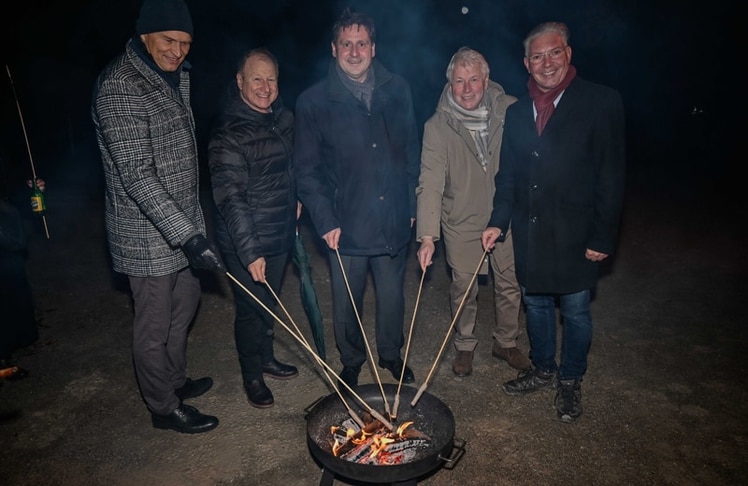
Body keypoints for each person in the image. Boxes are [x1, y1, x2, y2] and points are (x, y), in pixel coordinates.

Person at [481, 21, 625, 423]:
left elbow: (611, 176)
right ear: (527, 63)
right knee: (536, 303)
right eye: (538, 56)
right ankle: (544, 368)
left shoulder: (601, 101)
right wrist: (498, 222)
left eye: (554, 52)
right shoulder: (515, 111)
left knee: (576, 310)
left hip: (577, 234)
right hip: (531, 231)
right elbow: (507, 175)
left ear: (568, 54)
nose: (547, 63)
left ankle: (570, 379)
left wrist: (603, 235)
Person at [91, 0, 224, 434]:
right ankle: (163, 407)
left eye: (186, 43)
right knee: (153, 323)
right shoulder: (120, 85)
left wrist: (193, 228)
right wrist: (187, 235)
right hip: (147, 233)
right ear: (145, 34)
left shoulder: (176, 76)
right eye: (169, 40)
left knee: (185, 304)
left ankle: (175, 380)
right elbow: (137, 175)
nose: (178, 51)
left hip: (181, 223)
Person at [295, 8, 420, 389]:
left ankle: (391, 354)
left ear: (373, 47)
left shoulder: (397, 89)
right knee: (346, 299)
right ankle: (351, 359)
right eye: (346, 44)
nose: (354, 51)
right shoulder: (313, 101)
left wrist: (413, 206)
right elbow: (307, 171)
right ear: (334, 49)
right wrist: (325, 218)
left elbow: (412, 151)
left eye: (361, 43)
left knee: (392, 296)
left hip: (393, 216)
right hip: (344, 222)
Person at [416, 47, 530, 378]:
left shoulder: (510, 110)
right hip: (461, 220)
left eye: (474, 80)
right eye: (459, 81)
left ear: (487, 79)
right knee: (463, 288)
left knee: (509, 282)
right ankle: (465, 346)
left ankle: (506, 342)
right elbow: (430, 182)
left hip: (504, 214)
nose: (467, 89)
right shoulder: (437, 126)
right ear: (449, 83)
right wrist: (427, 236)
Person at [208, 48, 299, 409]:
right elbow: (230, 198)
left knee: (269, 305)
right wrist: (250, 252)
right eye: (256, 78)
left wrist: (297, 197)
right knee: (250, 309)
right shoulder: (227, 134)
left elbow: (288, 169)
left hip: (278, 230)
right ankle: (252, 375)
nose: (265, 87)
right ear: (240, 82)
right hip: (245, 239)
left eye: (271, 78)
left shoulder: (282, 119)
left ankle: (266, 357)